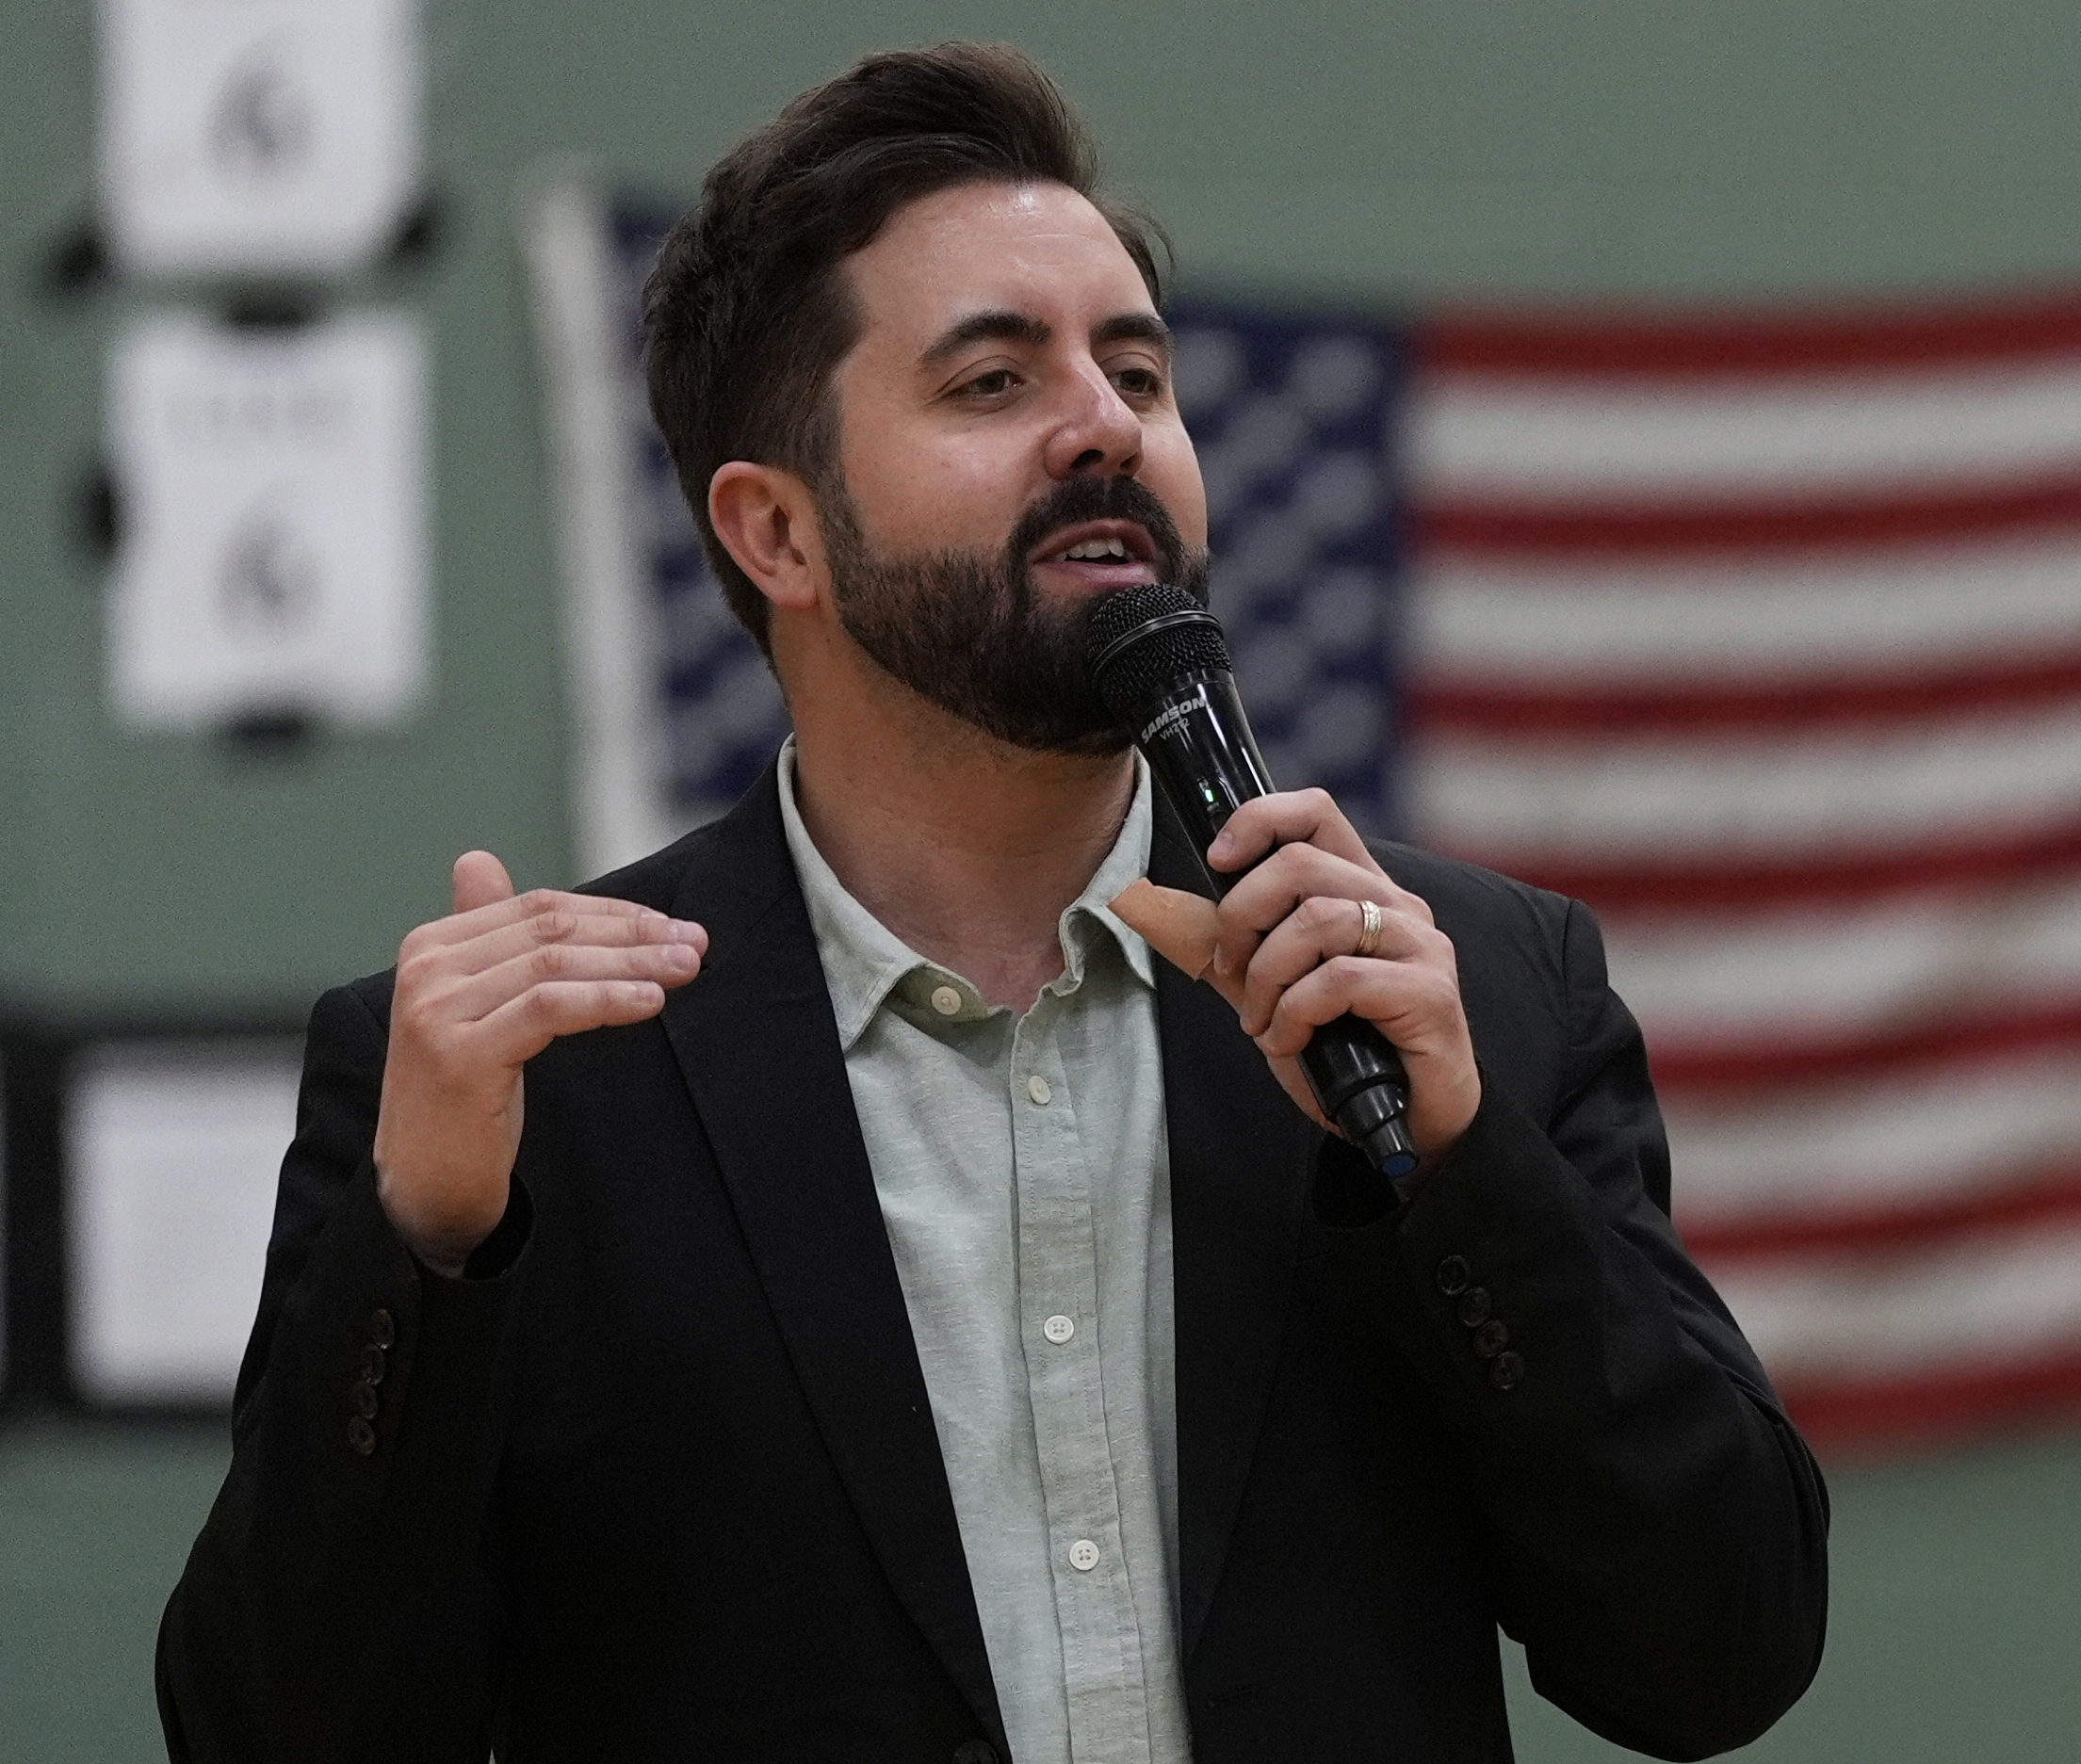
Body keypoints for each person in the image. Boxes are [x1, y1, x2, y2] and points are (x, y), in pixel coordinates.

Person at [157, 41, 1827, 1764]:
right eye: (990, 381)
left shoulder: (1467, 988)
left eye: (1138, 371)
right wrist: (427, 1249)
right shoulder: (535, 1076)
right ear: (776, 534)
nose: (1107, 425)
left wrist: (1459, 1169)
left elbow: (1714, 1658)